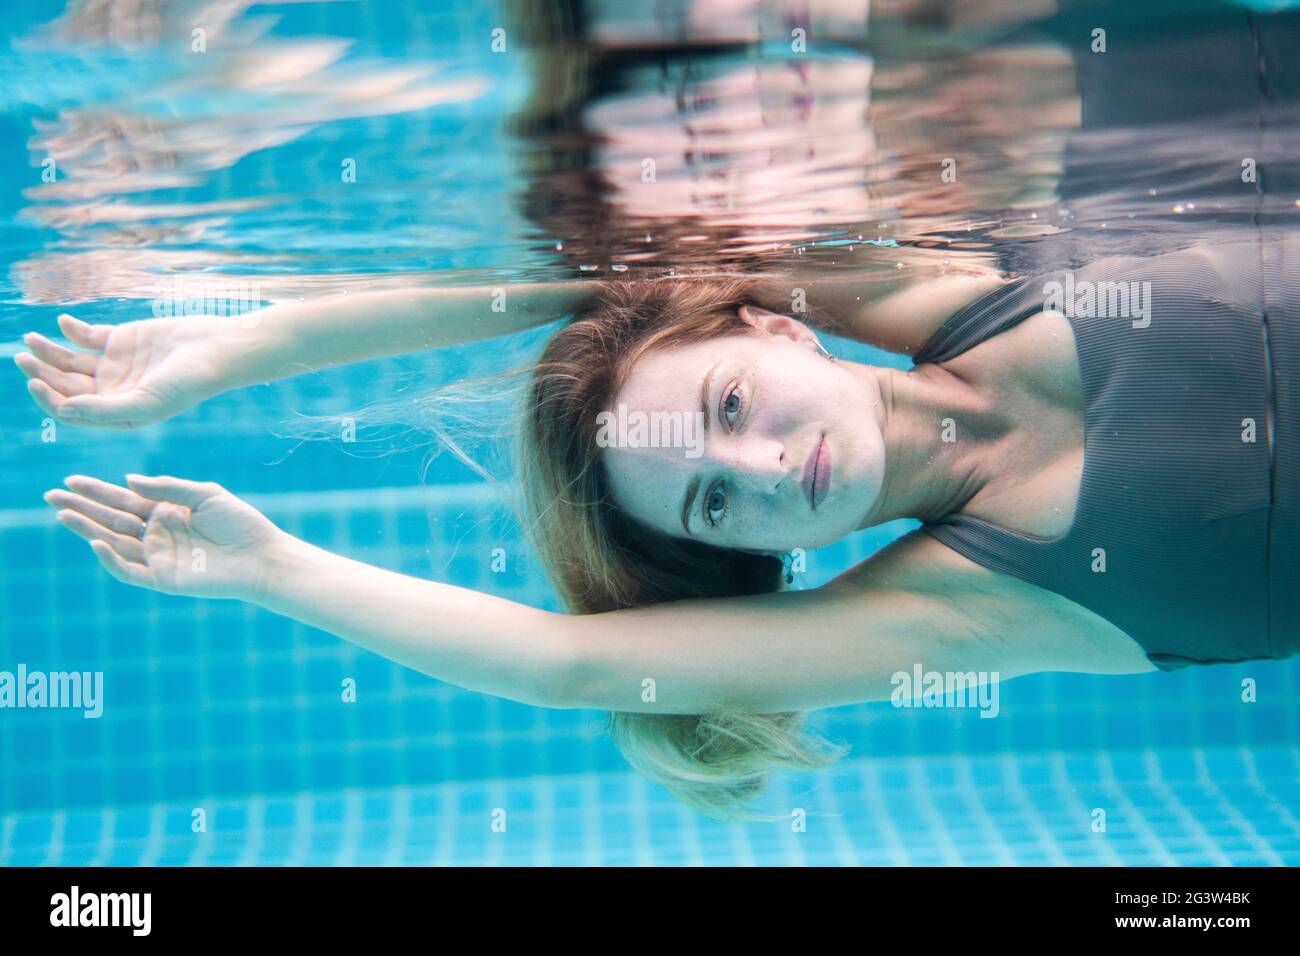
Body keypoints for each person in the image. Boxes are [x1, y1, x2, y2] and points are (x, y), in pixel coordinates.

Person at [15, 234, 1297, 817]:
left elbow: (586, 264)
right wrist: (271, 568)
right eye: (715, 499)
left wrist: (239, 344)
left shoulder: (957, 285)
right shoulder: (961, 603)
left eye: (729, 403)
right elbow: (567, 664)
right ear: (745, 551)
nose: (763, 462)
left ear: (777, 320)